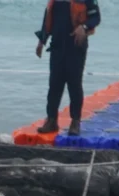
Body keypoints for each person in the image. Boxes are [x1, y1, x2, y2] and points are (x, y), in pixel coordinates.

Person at [35, 0, 101, 137]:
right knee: (54, 84)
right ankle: (51, 120)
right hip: (57, 46)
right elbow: (47, 17)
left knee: (74, 84)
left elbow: (96, 17)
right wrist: (41, 41)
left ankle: (75, 122)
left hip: (76, 45)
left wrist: (83, 27)